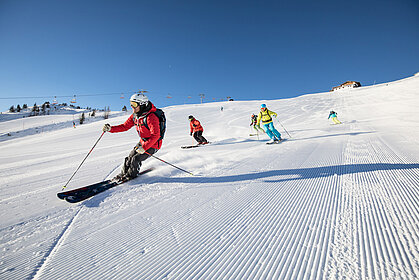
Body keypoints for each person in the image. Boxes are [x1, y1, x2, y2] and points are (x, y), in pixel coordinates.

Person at [102, 94, 162, 182]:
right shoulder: (135, 116)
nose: (132, 107)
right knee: (130, 157)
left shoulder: (151, 117)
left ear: (142, 104)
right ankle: (123, 174)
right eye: (131, 104)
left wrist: (144, 147)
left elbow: (156, 135)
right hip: (143, 141)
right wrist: (111, 129)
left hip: (154, 144)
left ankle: (131, 176)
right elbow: (125, 126)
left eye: (134, 104)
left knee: (135, 159)